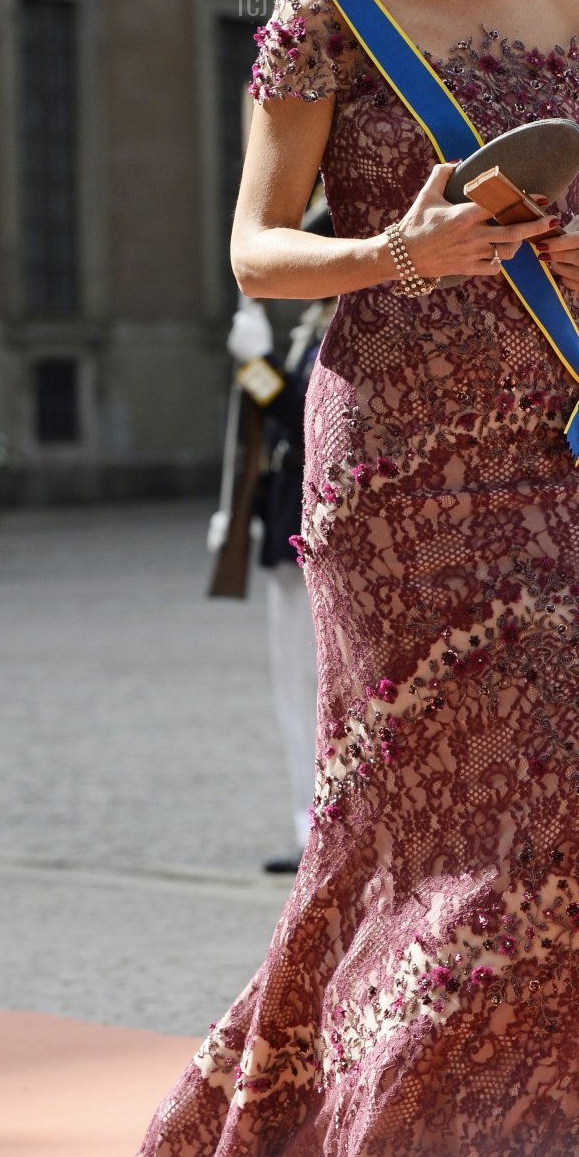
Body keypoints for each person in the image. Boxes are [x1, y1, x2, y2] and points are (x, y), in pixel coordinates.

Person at [85, 0, 579, 1157]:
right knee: (405, 829)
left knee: (565, 822)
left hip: (557, 449)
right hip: (393, 462)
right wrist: (394, 252)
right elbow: (256, 253)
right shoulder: (321, 15)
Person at [210, 193, 336, 874]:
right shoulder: (315, 328)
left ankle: (322, 827)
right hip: (286, 524)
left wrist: (258, 369)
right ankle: (307, 820)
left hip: (311, 529)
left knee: (313, 686)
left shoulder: (341, 329)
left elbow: (302, 416)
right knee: (295, 688)